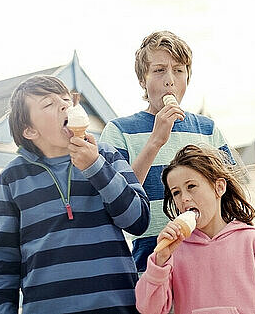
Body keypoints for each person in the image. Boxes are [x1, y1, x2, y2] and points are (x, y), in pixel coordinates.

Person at [0, 75, 150, 314]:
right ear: (30, 130)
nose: (64, 105)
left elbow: (138, 220)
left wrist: (95, 167)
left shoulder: (106, 155)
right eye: (48, 104)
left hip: (117, 306)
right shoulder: (12, 178)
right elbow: (2, 262)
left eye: (65, 99)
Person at [99, 31, 232, 272]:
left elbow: (230, 196)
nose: (170, 80)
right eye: (159, 70)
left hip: (210, 264)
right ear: (143, 79)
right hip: (149, 266)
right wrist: (154, 142)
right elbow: (116, 202)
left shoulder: (208, 129)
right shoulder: (119, 131)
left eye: (179, 70)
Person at [135, 144, 255, 314]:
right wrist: (160, 260)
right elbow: (148, 309)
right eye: (176, 193)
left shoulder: (252, 242)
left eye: (191, 186)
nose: (184, 198)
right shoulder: (174, 250)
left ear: (219, 187)